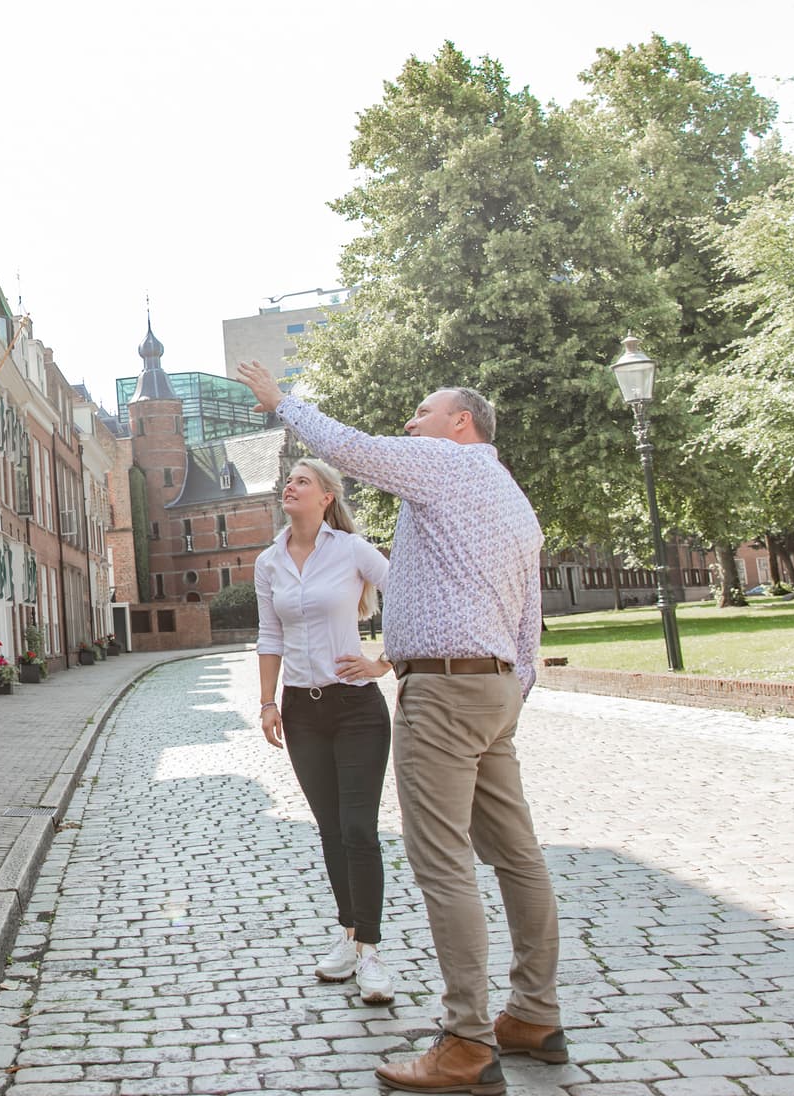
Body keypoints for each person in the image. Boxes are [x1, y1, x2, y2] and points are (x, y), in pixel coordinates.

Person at [236, 362, 564, 1096]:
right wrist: (511, 692)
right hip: (493, 688)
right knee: (517, 856)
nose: (411, 422)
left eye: (423, 411)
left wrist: (282, 403)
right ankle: (534, 1015)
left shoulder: (447, 465)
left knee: (442, 859)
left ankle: (467, 1042)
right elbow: (529, 618)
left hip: (445, 692)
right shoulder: (512, 497)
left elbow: (350, 450)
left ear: (461, 423)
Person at [256, 458, 396, 1004]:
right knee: (331, 829)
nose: (290, 486)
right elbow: (269, 635)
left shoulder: (352, 550)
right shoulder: (269, 562)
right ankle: (349, 934)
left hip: (356, 708)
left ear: (327, 497)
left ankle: (371, 952)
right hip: (302, 712)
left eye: (303, 481)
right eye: (289, 481)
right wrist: (267, 702)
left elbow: (407, 593)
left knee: (359, 828)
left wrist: (383, 662)